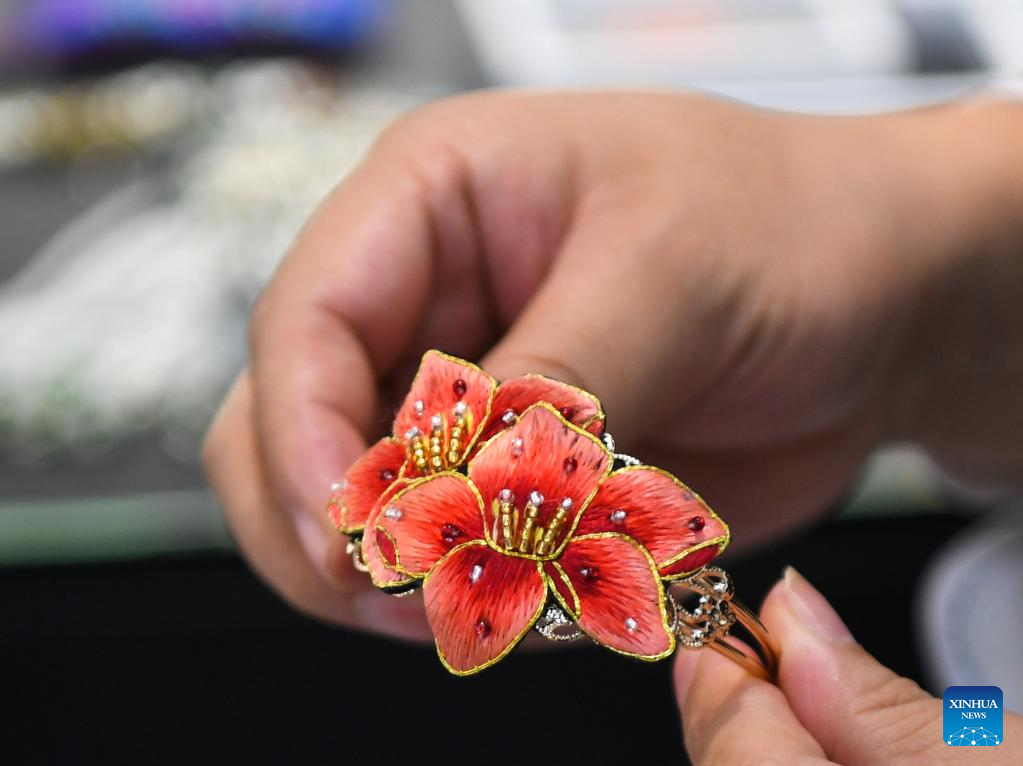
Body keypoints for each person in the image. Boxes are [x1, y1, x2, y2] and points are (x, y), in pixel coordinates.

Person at [202, 90, 1023, 763]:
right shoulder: (973, 714)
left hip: (968, 689)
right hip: (977, 686)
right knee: (959, 715)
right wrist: (939, 263)